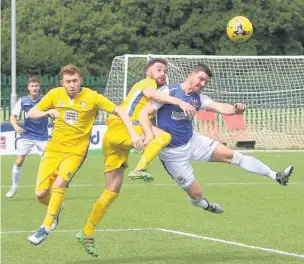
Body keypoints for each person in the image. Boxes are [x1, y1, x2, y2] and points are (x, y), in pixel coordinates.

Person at [76, 58, 196, 257]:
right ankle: (140, 168)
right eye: (158, 69)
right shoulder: (147, 84)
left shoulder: (156, 97)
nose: (162, 73)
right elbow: (151, 94)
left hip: (113, 136)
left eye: (165, 71)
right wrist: (180, 101)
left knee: (112, 191)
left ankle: (87, 231)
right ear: (148, 72)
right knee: (164, 137)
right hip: (123, 127)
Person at [138, 63, 294, 214]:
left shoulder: (199, 98)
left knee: (234, 156)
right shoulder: (168, 92)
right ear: (190, 75)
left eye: (206, 81)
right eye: (201, 78)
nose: (203, 83)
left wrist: (235, 109)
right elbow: (144, 112)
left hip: (193, 141)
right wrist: (149, 134)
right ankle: (204, 205)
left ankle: (276, 175)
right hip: (172, 153)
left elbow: (220, 107)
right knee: (196, 195)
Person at [26, 64, 144, 246]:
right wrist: (46, 112)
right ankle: (56, 209)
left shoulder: (92, 97)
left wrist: (134, 134)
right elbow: (32, 112)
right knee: (41, 194)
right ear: (62, 83)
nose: (72, 84)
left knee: (60, 183)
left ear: (81, 80)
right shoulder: (55, 94)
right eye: (68, 81)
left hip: (76, 152)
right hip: (53, 149)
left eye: (75, 80)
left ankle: (45, 227)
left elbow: (120, 110)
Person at [6, 77, 49, 199]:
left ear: (39, 87)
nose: (34, 88)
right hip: (27, 135)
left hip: (42, 136)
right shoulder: (23, 101)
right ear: (28, 88)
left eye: (36, 86)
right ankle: (14, 186)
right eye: (32, 86)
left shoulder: (45, 100)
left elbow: (54, 112)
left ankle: (50, 187)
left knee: (49, 163)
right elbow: (12, 116)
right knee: (19, 161)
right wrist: (15, 127)